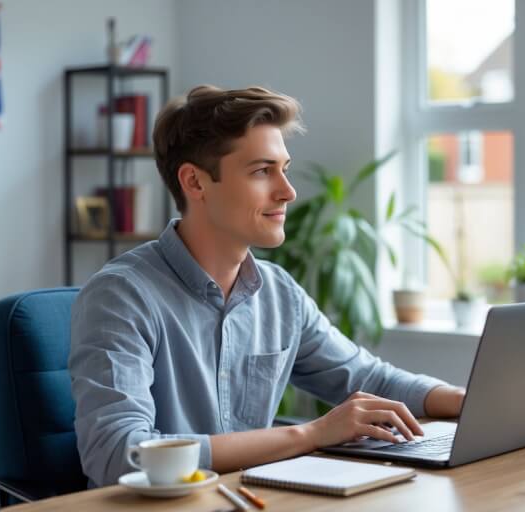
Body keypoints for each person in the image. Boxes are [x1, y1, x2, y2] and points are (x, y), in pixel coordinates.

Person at [69, 85, 466, 487]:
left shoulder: (279, 293)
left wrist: (467, 401)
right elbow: (117, 452)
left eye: (285, 168)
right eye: (262, 171)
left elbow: (369, 380)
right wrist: (309, 434)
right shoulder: (121, 296)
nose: (288, 191)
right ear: (194, 182)